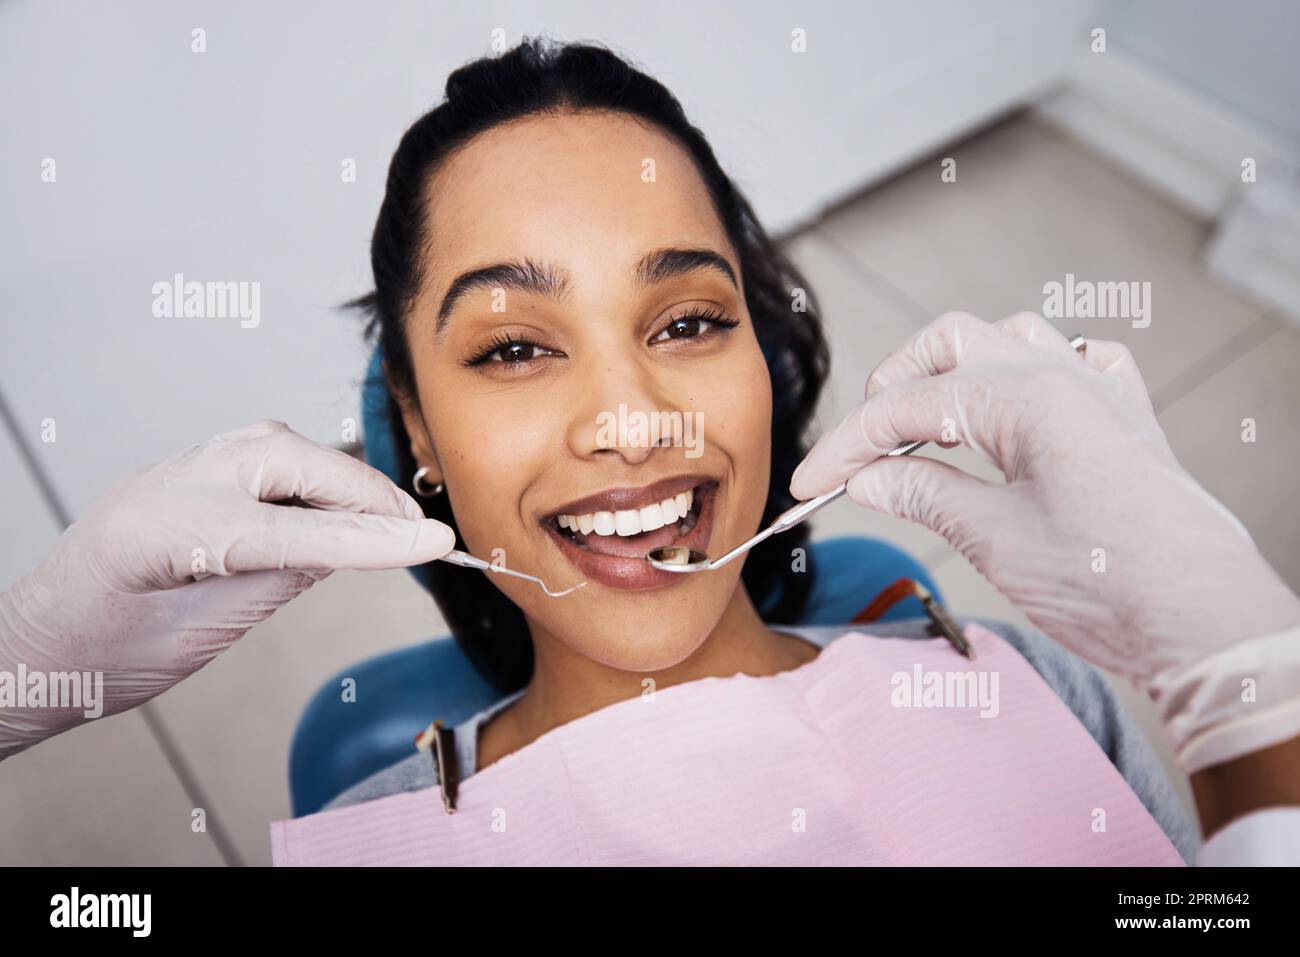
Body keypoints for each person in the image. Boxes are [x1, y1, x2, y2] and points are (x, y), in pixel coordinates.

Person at [3, 40, 1297, 866]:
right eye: (514, 346)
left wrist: (1256, 698)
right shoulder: (366, 840)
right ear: (417, 432)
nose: (632, 419)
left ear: (768, 370)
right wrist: (21, 679)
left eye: (688, 320)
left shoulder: (1031, 686)